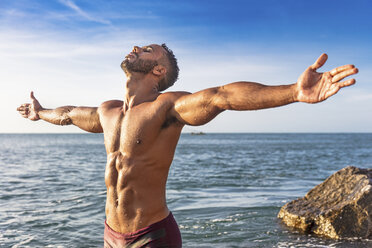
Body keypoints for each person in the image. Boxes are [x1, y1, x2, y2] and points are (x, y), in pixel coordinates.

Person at [17, 44, 358, 248]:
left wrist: (293, 93)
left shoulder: (167, 107)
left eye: (147, 49)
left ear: (158, 69)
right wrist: (40, 112)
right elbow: (69, 115)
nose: (136, 47)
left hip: (152, 236)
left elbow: (221, 96)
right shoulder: (108, 112)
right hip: (110, 234)